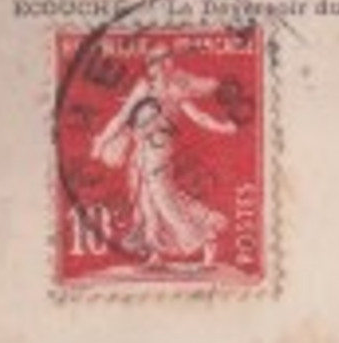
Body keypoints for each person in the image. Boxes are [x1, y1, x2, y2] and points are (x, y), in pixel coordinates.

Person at [91, 49, 236, 267]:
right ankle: (156, 253)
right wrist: (102, 141)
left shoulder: (175, 91)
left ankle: (207, 238)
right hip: (140, 150)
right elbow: (122, 118)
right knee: (145, 201)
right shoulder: (142, 88)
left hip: (160, 148)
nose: (165, 66)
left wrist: (224, 128)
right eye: (159, 62)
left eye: (168, 61)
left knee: (164, 198)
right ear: (151, 67)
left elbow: (198, 117)